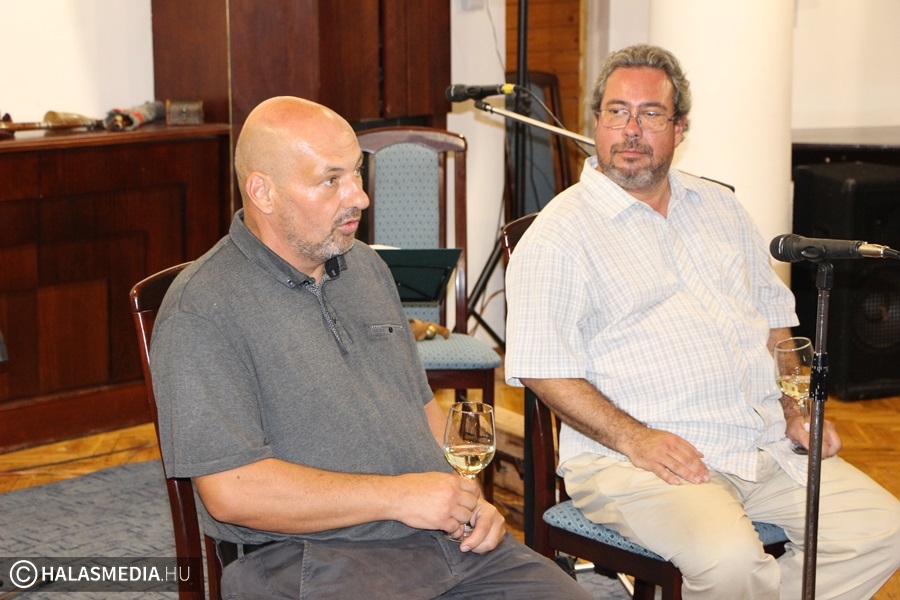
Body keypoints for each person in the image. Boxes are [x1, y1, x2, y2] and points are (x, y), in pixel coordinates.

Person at [149, 96, 593, 599]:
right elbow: (232, 492)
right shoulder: (203, 308)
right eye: (331, 179)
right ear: (262, 191)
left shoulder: (366, 267)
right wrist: (398, 496)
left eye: (357, 173)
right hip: (311, 558)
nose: (359, 197)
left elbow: (420, 406)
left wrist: (465, 498)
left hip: (440, 540)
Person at [505, 44, 900, 599]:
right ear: (596, 122)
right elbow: (544, 369)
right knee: (733, 565)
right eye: (617, 112)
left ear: (680, 127)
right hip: (635, 460)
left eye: (651, 114)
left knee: (880, 530)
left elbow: (775, 324)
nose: (631, 130)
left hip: (758, 442)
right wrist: (637, 439)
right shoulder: (559, 234)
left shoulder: (721, 208)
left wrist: (795, 409)